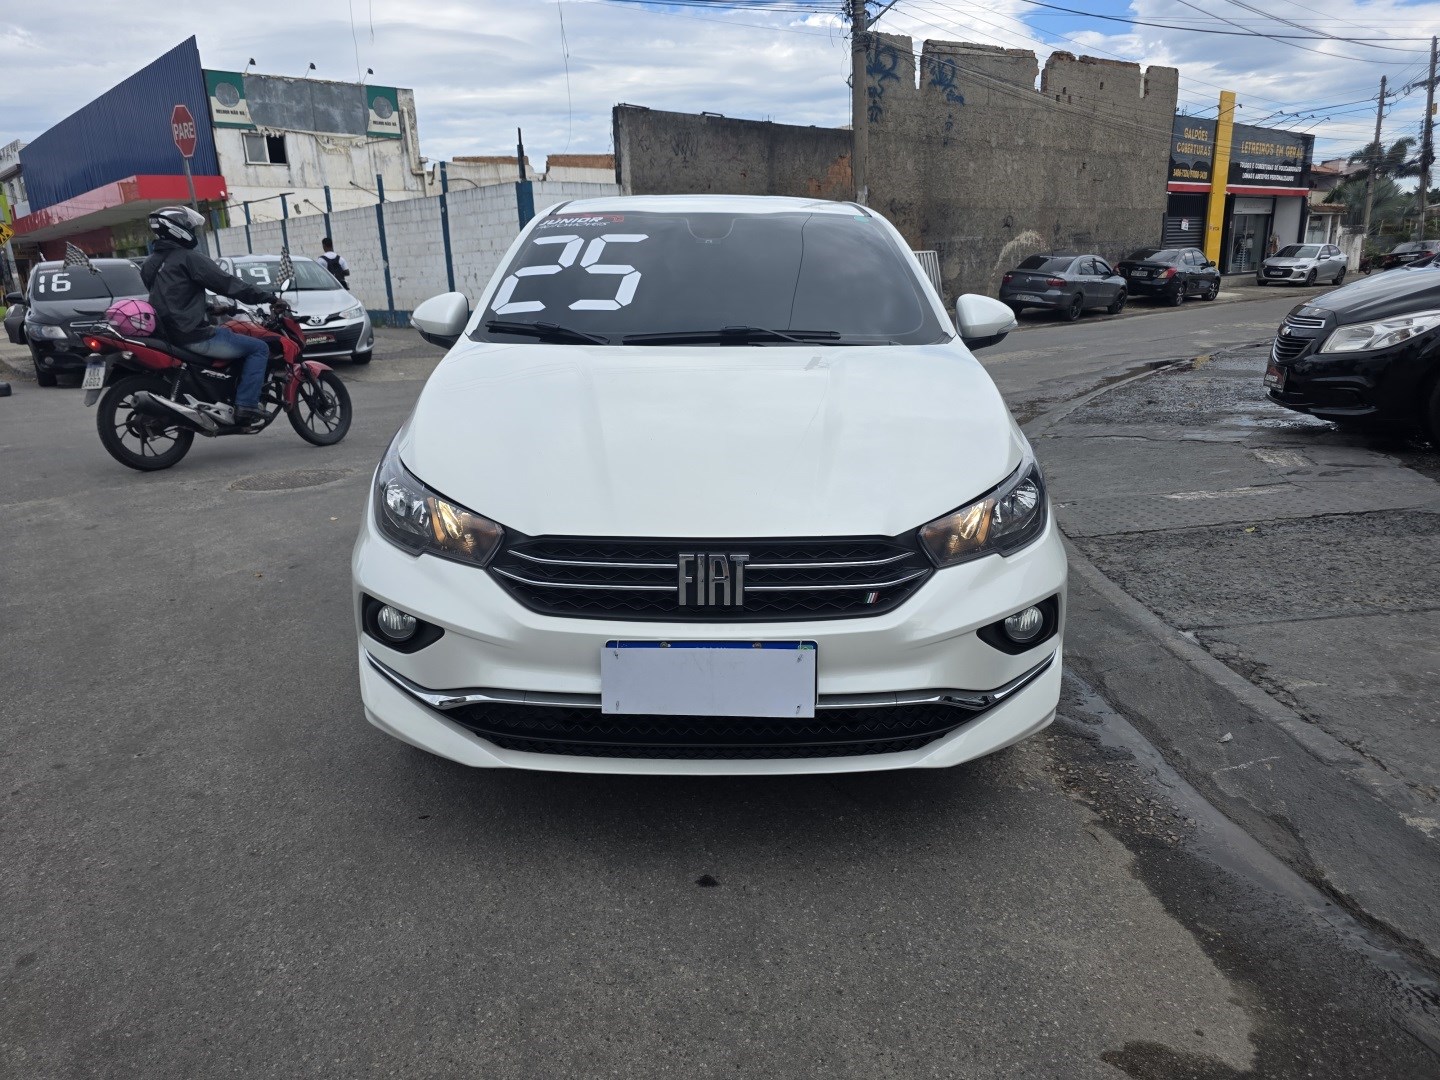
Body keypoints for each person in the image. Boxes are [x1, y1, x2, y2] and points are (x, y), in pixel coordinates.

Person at [141, 206, 283, 425]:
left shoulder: (149, 264)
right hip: (192, 334)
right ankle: (246, 406)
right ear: (177, 229)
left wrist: (209, 308)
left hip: (166, 334)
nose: (193, 232)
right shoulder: (190, 258)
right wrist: (269, 298)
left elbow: (172, 297)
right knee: (259, 348)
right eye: (190, 227)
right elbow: (228, 284)